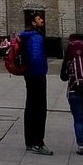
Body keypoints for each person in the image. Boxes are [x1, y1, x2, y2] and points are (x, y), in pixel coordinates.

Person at [20, 14, 51, 154]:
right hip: (36, 75)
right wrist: (41, 73)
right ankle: (38, 142)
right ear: (33, 23)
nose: (42, 21)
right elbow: (37, 57)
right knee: (40, 108)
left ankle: (29, 141)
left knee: (30, 107)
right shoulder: (36, 37)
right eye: (39, 19)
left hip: (29, 75)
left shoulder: (26, 36)